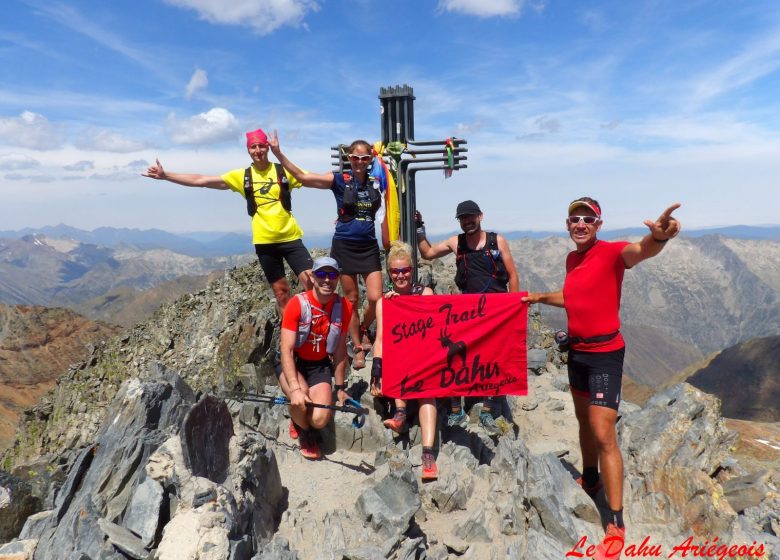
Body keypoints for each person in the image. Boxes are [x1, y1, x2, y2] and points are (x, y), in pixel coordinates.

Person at [522, 197, 681, 560]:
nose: (580, 224)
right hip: (577, 352)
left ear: (598, 224)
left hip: (605, 355)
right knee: (582, 421)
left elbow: (641, 251)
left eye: (587, 219)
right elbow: (574, 297)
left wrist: (661, 237)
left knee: (602, 432)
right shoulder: (572, 259)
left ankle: (616, 522)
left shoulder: (611, 252)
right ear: (567, 225)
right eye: (574, 219)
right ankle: (590, 477)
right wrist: (539, 297)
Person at [142, 128, 313, 312]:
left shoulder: (284, 171)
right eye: (253, 147)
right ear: (248, 150)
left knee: (312, 282)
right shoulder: (242, 176)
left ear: (268, 148)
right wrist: (166, 175)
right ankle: (290, 336)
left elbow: (313, 178)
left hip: (290, 238)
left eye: (262, 146)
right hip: (265, 242)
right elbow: (202, 180)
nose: (258, 150)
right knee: (281, 293)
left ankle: (318, 327)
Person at [270, 133, 384, 370]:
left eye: (364, 158)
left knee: (375, 297)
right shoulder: (339, 180)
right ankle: (358, 346)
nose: (360, 162)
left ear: (370, 159)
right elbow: (303, 176)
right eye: (355, 157)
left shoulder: (377, 180)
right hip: (344, 245)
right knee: (351, 299)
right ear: (349, 158)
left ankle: (364, 328)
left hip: (369, 246)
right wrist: (279, 154)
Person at [416, 200, 519, 435]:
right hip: (468, 310)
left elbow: (512, 275)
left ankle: (487, 410)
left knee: (493, 358)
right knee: (455, 356)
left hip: (496, 309)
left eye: (471, 216)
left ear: (480, 216)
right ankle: (456, 410)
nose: (467, 221)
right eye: (463, 218)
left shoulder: (497, 240)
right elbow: (428, 253)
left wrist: (514, 307)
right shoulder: (456, 242)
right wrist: (420, 228)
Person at [370, 241, 439, 480]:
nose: (401, 275)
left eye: (405, 270)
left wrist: (401, 303)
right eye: (396, 271)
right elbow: (379, 339)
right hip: (400, 360)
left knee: (426, 393)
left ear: (412, 270)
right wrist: (376, 370)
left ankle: (428, 454)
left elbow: (432, 325)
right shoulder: (383, 302)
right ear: (390, 273)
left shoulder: (425, 293)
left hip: (424, 358)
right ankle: (400, 412)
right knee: (394, 356)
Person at [279, 256, 352, 460]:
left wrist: (340, 388)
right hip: (294, 363)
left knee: (320, 418)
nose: (327, 280)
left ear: (338, 278)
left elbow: (339, 351)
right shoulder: (297, 304)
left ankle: (304, 421)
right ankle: (304, 431)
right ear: (312, 277)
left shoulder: (343, 307)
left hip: (319, 365)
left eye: (332, 275)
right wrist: (294, 389)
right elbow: (286, 349)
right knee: (300, 401)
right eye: (321, 274)